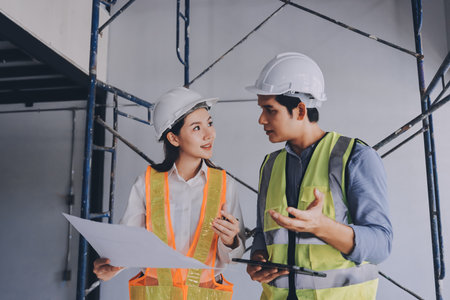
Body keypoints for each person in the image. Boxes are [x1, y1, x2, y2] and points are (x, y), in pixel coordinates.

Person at [245, 52, 393, 300]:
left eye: (270, 110)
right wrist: (258, 256)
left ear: (300, 110)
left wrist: (322, 227)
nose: (261, 119)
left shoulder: (354, 158)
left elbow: (381, 244)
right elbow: (264, 232)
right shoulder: (270, 165)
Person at [93, 87, 245, 300]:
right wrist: (112, 267)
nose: (209, 134)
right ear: (174, 138)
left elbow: (234, 257)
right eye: (196, 128)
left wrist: (231, 242)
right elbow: (129, 244)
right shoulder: (146, 183)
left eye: (209, 123)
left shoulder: (225, 184)